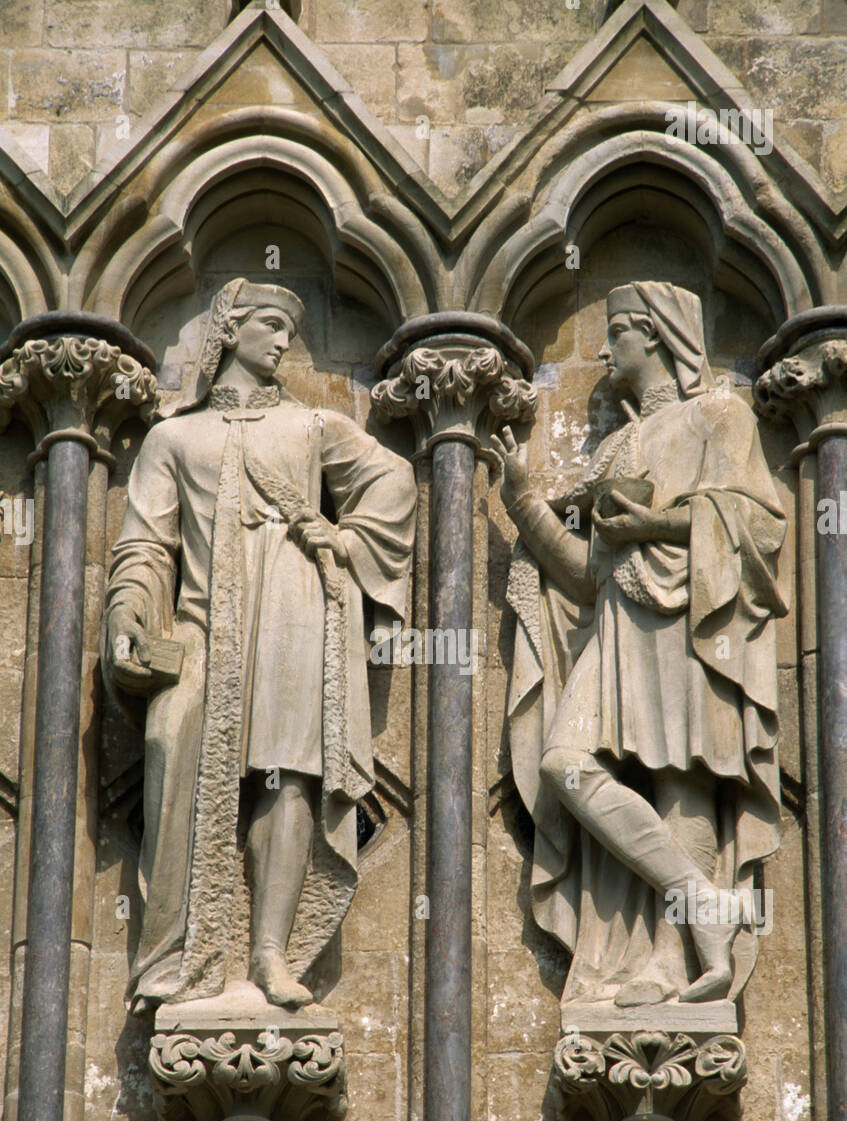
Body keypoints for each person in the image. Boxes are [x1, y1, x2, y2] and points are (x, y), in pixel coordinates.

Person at [103, 278, 416, 1014]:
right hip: (201, 629)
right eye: (270, 325)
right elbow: (146, 542)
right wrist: (129, 614)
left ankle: (271, 953)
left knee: (289, 776)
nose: (283, 342)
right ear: (229, 329)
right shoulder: (174, 437)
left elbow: (393, 480)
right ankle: (177, 959)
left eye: (291, 330)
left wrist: (342, 539)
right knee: (172, 761)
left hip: (291, 624)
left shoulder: (311, 427)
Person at [493, 283, 787, 1007]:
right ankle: (698, 896)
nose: (601, 349)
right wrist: (524, 501)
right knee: (563, 760)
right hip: (620, 620)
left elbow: (757, 524)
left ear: (656, 335)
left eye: (617, 331)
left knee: (683, 781)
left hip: (694, 623)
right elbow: (587, 576)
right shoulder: (619, 443)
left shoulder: (717, 414)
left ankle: (672, 958)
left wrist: (648, 526)